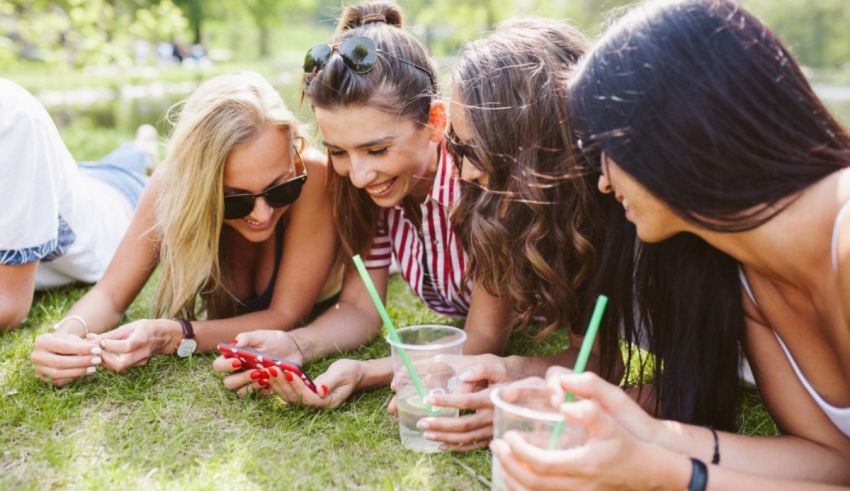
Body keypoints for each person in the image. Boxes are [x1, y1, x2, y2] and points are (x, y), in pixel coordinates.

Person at [493, 0, 850, 488]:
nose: (602, 181)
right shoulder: (750, 279)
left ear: (677, 131)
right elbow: (832, 462)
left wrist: (666, 474)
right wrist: (639, 430)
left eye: (608, 149)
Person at [214, 2, 517, 406]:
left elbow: (483, 339)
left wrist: (362, 372)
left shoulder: (479, 187)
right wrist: (294, 345)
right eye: (338, 151)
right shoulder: (367, 193)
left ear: (436, 121)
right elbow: (359, 307)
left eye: (376, 150)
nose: (357, 175)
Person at [382, 18, 624, 452]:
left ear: (537, 145)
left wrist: (533, 400)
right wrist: (515, 368)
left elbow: (614, 368)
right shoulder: (519, 210)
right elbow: (590, 356)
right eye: (454, 147)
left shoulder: (617, 220)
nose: (467, 172)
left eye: (475, 150)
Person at [30, 71, 340, 387]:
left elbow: (284, 315)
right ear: (198, 187)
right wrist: (67, 335)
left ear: (294, 150)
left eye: (280, 189)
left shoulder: (313, 176)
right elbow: (110, 295)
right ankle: (139, 150)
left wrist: (175, 334)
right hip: (118, 187)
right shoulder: (171, 187)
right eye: (234, 200)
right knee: (120, 170)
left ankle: (139, 150)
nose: (262, 213)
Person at [0, 78, 150, 330]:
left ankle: (143, 150)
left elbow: (9, 304)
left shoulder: (12, 116)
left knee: (135, 176)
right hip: (70, 181)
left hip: (112, 207)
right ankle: (138, 149)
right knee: (104, 166)